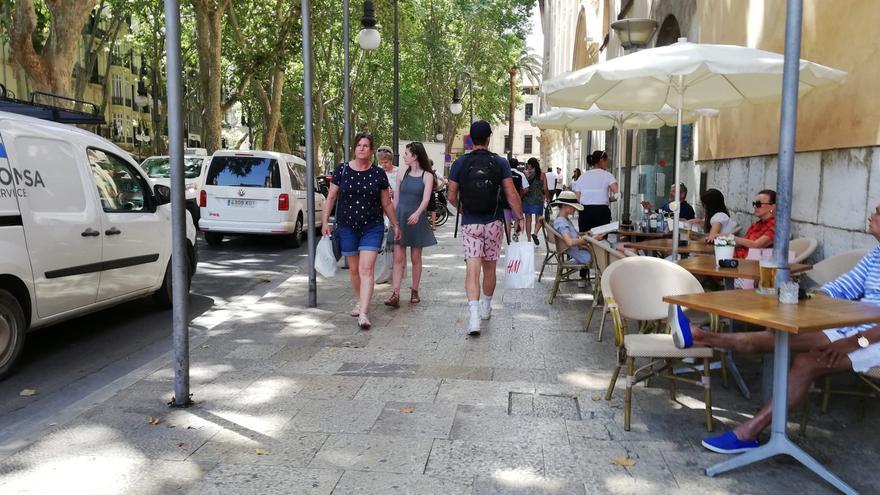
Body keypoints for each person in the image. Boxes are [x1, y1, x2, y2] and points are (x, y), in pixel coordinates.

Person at [670, 203, 880, 454]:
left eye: (878, 213)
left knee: (806, 362)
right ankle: (701, 336)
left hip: (870, 340)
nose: (871, 215)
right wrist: (813, 299)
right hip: (850, 327)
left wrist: (855, 343)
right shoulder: (876, 255)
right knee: (779, 336)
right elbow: (841, 287)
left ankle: (749, 431)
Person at [448, 120, 524, 336]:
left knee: (472, 269)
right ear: (489, 139)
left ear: (471, 139)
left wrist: (463, 210)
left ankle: (473, 318)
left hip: (471, 222)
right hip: (494, 223)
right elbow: (510, 193)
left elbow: (451, 195)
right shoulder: (500, 163)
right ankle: (486, 307)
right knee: (489, 268)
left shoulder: (460, 163)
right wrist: (519, 217)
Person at [322, 132, 400, 330]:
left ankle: (364, 313)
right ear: (355, 148)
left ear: (371, 150)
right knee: (355, 270)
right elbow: (331, 198)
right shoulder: (342, 170)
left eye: (366, 145)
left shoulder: (378, 174)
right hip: (347, 226)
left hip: (372, 227)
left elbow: (386, 202)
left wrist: (395, 224)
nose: (362, 148)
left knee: (367, 269)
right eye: (359, 145)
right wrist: (325, 222)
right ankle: (359, 300)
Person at [384, 142, 438, 308]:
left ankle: (415, 290)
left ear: (415, 156)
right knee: (398, 258)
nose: (404, 156)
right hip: (401, 216)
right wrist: (393, 220)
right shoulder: (401, 173)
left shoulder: (427, 176)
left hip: (417, 218)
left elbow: (426, 199)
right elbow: (397, 199)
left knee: (416, 257)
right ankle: (395, 293)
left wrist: (417, 213)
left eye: (407, 153)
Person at [551, 191, 593, 287]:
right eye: (573, 206)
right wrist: (588, 239)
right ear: (565, 206)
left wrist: (586, 234)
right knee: (609, 253)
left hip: (580, 252)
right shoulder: (561, 222)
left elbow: (572, 236)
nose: (575, 209)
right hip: (583, 256)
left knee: (614, 247)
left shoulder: (563, 220)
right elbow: (569, 242)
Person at [571, 150, 619, 234]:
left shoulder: (582, 177)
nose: (607, 163)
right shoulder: (608, 175)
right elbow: (618, 194)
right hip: (601, 212)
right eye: (606, 161)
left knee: (585, 239)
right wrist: (610, 199)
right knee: (601, 241)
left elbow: (577, 197)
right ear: (601, 161)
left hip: (585, 212)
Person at [733, 189, 776, 258]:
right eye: (754, 204)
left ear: (772, 207)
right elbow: (743, 243)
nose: (755, 206)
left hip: (751, 264)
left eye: (758, 204)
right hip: (737, 258)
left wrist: (732, 238)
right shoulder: (757, 224)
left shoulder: (775, 226)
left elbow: (756, 245)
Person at [523, 157, 549, 246]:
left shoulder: (526, 174)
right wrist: (548, 198)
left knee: (528, 220)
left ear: (530, 165)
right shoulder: (542, 174)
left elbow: (524, 187)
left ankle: (529, 240)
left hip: (527, 199)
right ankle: (535, 233)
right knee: (539, 219)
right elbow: (545, 188)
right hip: (538, 199)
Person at [503, 157, 528, 242]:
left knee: (507, 221)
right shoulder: (521, 175)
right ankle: (515, 235)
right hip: (517, 202)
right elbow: (526, 188)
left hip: (505, 201)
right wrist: (520, 196)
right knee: (517, 219)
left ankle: (508, 239)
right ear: (517, 165)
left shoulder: (504, 174)